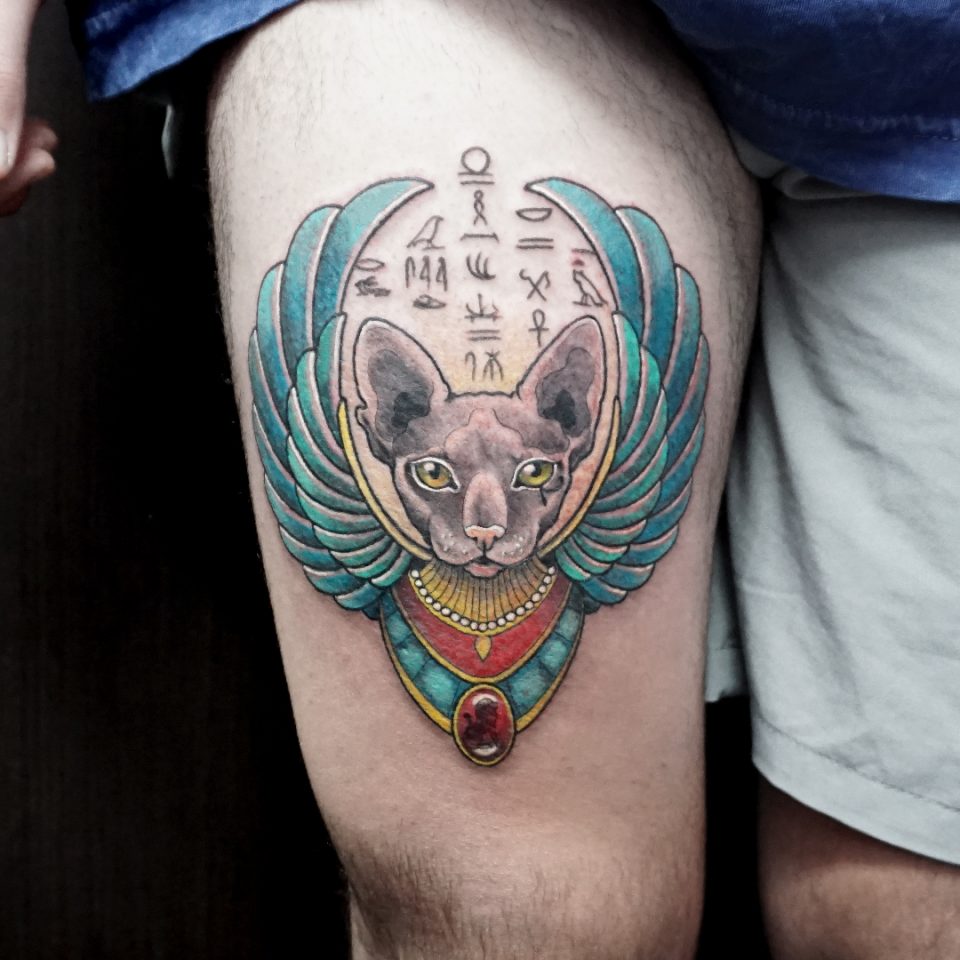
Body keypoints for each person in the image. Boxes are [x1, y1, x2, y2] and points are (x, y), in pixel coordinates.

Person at [4, 1, 958, 958]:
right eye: (434, 475)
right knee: (518, 916)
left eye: (532, 473)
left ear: (576, 424)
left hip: (920, 71)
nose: (489, 521)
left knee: (905, 922)